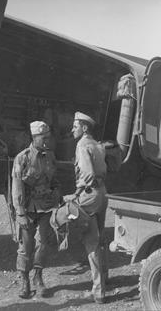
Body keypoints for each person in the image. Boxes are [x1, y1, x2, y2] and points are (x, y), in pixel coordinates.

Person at [63, 111, 108, 304]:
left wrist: (76, 193)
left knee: (90, 241)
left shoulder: (82, 145)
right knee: (100, 238)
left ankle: (98, 292)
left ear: (84, 128)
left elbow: (87, 174)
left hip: (89, 194)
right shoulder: (97, 144)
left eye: (75, 126)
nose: (72, 129)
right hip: (102, 193)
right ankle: (105, 279)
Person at [12, 121, 60, 299]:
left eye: (48, 137)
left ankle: (38, 277)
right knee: (26, 246)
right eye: (43, 138)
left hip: (46, 208)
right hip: (28, 208)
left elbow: (55, 180)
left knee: (44, 243)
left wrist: (57, 195)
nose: (47, 141)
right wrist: (20, 213)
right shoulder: (22, 158)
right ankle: (24, 278)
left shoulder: (50, 156)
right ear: (34, 138)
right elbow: (16, 187)